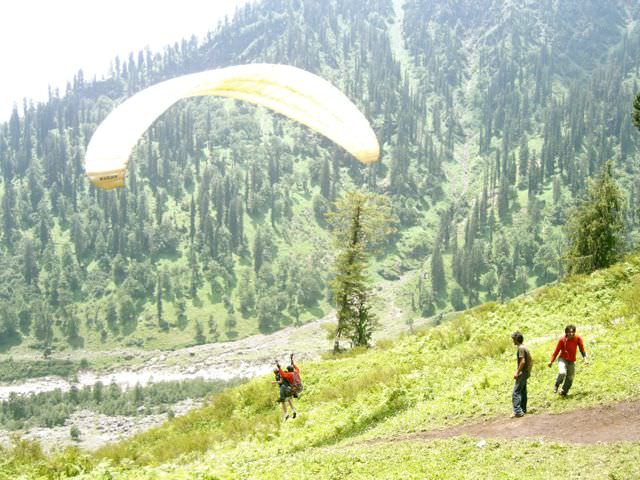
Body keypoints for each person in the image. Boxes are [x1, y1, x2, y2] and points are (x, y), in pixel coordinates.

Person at [547, 325, 587, 396]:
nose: (571, 334)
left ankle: (563, 392)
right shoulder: (562, 339)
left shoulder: (577, 338)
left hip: (571, 361)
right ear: (566, 332)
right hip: (562, 359)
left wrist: (585, 358)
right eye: (569, 332)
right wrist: (551, 361)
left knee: (570, 377)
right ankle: (557, 384)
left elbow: (582, 348)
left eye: (573, 332)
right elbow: (556, 351)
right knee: (562, 372)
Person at [511, 331, 532, 418]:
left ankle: (518, 411)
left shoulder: (520, 348)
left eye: (513, 339)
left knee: (515, 393)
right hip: (526, 372)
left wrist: (517, 372)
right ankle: (523, 409)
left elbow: (522, 361)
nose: (513, 341)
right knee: (523, 391)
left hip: (522, 373)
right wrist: (528, 371)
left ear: (516, 339)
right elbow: (531, 360)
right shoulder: (525, 347)